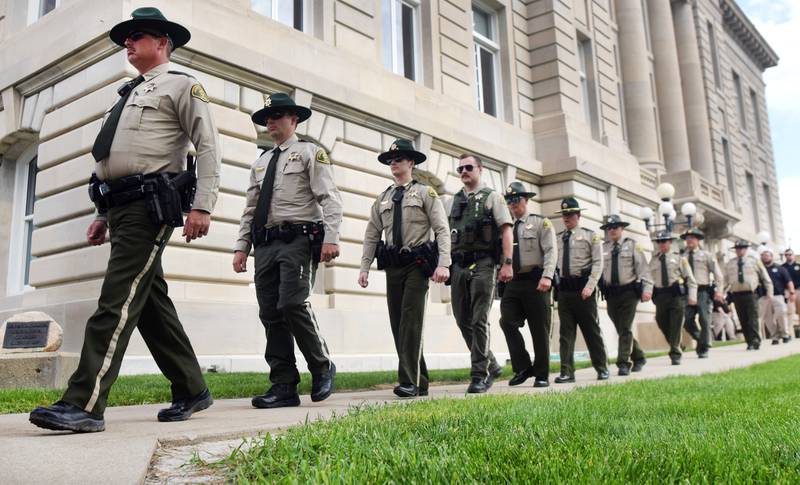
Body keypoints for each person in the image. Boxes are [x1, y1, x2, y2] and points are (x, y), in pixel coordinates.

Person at [29, 7, 220, 433]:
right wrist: (102, 213)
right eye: (125, 38)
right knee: (150, 302)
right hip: (120, 207)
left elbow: (207, 147)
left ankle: (85, 403)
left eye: (138, 36)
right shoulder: (127, 93)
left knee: (114, 302)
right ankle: (192, 387)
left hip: (150, 207)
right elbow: (111, 157)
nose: (127, 43)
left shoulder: (183, 86)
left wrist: (202, 205)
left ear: (163, 43)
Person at [233, 92, 342, 408]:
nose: (270, 122)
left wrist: (330, 238)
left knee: (293, 303)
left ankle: (322, 365)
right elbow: (250, 209)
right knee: (270, 312)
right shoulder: (260, 163)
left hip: (298, 240)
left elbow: (330, 199)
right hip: (265, 243)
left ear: (293, 120)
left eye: (277, 116)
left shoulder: (310, 153)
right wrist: (242, 248)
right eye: (267, 117)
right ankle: (283, 385)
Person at [358, 139, 451, 398]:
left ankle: (408, 381)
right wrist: (364, 266)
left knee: (411, 321)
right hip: (393, 266)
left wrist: (444, 263)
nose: (393, 163)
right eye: (391, 160)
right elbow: (371, 234)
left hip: (417, 265)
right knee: (398, 323)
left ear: (411, 163)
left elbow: (442, 229)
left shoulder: (425, 193)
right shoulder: (383, 198)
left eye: (399, 159)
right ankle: (420, 381)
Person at [448, 154, 513, 393]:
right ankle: (493, 364)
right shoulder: (453, 200)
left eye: (468, 167)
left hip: (484, 264)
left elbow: (506, 231)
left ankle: (479, 374)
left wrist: (507, 263)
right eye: (460, 168)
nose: (464, 171)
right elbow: (444, 235)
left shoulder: (492, 197)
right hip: (459, 266)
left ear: (480, 169)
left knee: (478, 320)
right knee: (462, 319)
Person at [499, 182, 557, 388]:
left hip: (536, 281)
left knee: (539, 329)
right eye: (509, 201)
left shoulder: (541, 223)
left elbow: (551, 251)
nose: (513, 204)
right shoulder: (505, 227)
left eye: (517, 199)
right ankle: (523, 367)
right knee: (506, 321)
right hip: (513, 282)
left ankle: (541, 373)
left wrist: (548, 276)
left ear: (526, 200)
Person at [553, 197, 609, 383]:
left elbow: (598, 263)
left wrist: (590, 286)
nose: (566, 218)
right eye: (564, 214)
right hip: (565, 291)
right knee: (565, 334)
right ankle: (567, 372)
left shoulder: (590, 236)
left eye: (569, 214)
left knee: (591, 331)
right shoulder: (558, 238)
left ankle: (602, 368)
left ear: (578, 215)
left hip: (583, 290)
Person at [598, 215, 653, 375]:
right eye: (609, 228)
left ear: (622, 229)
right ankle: (639, 356)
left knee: (625, 327)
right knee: (622, 328)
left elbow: (644, 270)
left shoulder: (633, 246)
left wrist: (647, 290)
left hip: (629, 292)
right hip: (611, 294)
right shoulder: (603, 248)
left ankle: (623, 363)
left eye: (615, 227)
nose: (612, 230)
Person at [649, 231, 697, 365]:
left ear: (670, 242)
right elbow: (648, 278)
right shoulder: (653, 259)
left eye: (664, 241)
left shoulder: (680, 258)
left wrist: (692, 297)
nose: (662, 244)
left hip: (676, 296)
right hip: (660, 296)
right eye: (659, 242)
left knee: (676, 324)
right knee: (660, 320)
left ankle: (675, 353)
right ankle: (677, 344)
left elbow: (690, 279)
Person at [680, 228, 724, 358]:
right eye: (687, 239)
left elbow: (718, 275)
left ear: (698, 240)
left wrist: (719, 292)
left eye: (692, 238)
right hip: (687, 292)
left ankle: (703, 349)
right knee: (687, 321)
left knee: (705, 320)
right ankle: (702, 340)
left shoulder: (707, 255)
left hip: (702, 291)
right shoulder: (682, 257)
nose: (689, 241)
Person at [723, 240, 773, 350]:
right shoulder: (730, 263)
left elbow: (765, 278)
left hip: (751, 294)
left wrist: (770, 292)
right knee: (743, 319)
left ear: (746, 249)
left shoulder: (754, 261)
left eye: (742, 248)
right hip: (736, 295)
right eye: (737, 248)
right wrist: (720, 293)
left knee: (752, 318)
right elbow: (725, 280)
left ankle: (755, 340)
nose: (739, 250)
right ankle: (749, 341)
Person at [759, 248, 794, 344]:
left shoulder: (780, 268)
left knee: (782, 313)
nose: (765, 257)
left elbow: (788, 281)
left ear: (771, 257)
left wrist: (791, 292)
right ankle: (775, 336)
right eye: (763, 256)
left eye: (767, 255)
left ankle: (785, 334)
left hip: (778, 295)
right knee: (768, 318)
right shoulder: (760, 270)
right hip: (764, 296)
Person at [781, 249, 800, 337]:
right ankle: (790, 334)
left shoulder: (798, 266)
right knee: (790, 312)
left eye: (790, 254)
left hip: (799, 290)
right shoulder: (782, 267)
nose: (788, 256)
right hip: (788, 291)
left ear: (793, 255)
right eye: (786, 255)